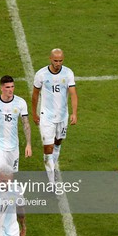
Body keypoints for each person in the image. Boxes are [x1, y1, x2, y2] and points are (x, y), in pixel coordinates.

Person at [31, 48, 78, 183]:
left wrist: (74, 113)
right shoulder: (41, 74)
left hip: (62, 116)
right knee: (48, 148)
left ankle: (51, 168)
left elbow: (73, 93)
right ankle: (52, 181)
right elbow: (35, 95)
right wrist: (34, 113)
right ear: (50, 59)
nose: (58, 63)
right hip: (47, 117)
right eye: (56, 60)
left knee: (58, 142)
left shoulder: (68, 73)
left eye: (60, 61)